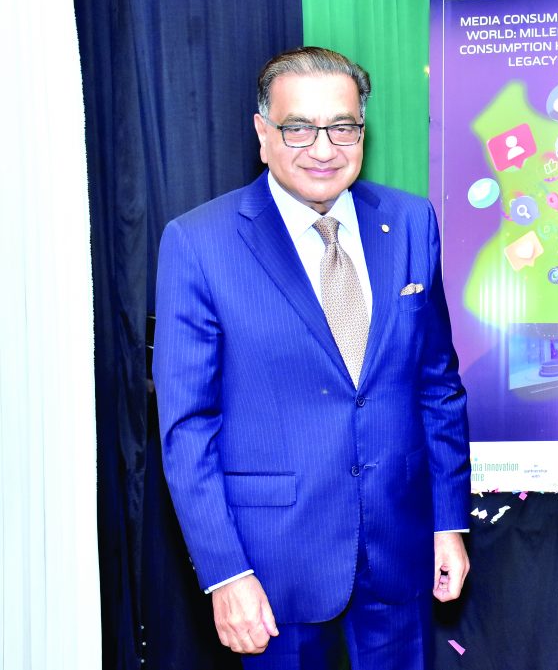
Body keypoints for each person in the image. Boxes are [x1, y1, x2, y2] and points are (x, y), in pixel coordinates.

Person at [154, 46, 471, 669]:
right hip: (271, 568)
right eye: (299, 127)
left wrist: (448, 522)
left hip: (399, 554)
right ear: (263, 132)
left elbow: (438, 385)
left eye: (343, 126)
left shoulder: (410, 223)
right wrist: (224, 573)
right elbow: (188, 428)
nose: (323, 148)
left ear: (362, 129)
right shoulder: (199, 243)